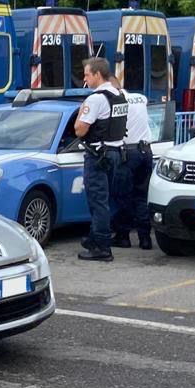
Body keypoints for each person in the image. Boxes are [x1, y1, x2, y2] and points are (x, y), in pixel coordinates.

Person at [73, 57, 128, 262]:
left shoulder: (96, 98)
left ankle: (102, 247)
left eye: (87, 74)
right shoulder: (119, 95)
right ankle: (95, 237)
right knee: (105, 201)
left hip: (98, 155)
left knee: (97, 202)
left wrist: (80, 113)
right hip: (114, 153)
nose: (84, 78)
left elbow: (80, 129)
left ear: (97, 74)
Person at [112, 87, 154, 250]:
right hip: (146, 151)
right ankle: (145, 239)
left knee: (123, 196)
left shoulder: (117, 102)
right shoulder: (140, 98)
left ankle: (123, 236)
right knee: (141, 196)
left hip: (128, 154)